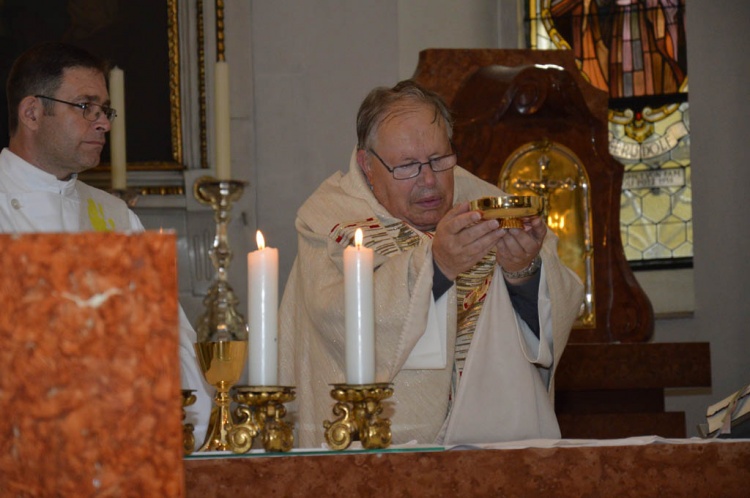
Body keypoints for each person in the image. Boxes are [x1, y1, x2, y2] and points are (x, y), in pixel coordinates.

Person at [279, 80, 584, 448]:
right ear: (367, 164)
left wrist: (523, 272)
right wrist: (437, 267)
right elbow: (339, 322)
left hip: (495, 449)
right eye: (407, 166)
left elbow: (557, 310)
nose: (429, 181)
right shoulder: (328, 221)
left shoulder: (487, 203)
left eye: (440, 161)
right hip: (383, 451)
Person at [0, 41, 211, 446]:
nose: (104, 124)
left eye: (105, 111)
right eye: (85, 107)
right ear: (31, 113)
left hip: (120, 451)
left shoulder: (115, 216)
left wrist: (193, 437)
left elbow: (169, 336)